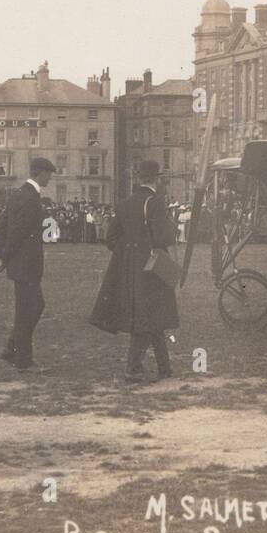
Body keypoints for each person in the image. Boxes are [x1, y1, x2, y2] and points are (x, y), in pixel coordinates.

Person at [89, 159, 179, 384]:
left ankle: (164, 368)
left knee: (151, 316)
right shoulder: (155, 202)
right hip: (152, 268)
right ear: (156, 179)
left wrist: (130, 253)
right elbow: (164, 237)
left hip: (130, 270)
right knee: (147, 318)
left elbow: (111, 239)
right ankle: (133, 368)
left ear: (138, 178)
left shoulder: (125, 203)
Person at [0, 157, 55, 370]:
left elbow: (3, 226)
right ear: (41, 173)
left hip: (21, 265)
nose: (50, 178)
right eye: (49, 174)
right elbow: (17, 232)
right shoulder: (30, 198)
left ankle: (11, 348)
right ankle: (23, 361)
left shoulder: (17, 195)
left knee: (35, 306)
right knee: (27, 310)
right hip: (26, 265)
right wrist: (4, 257)